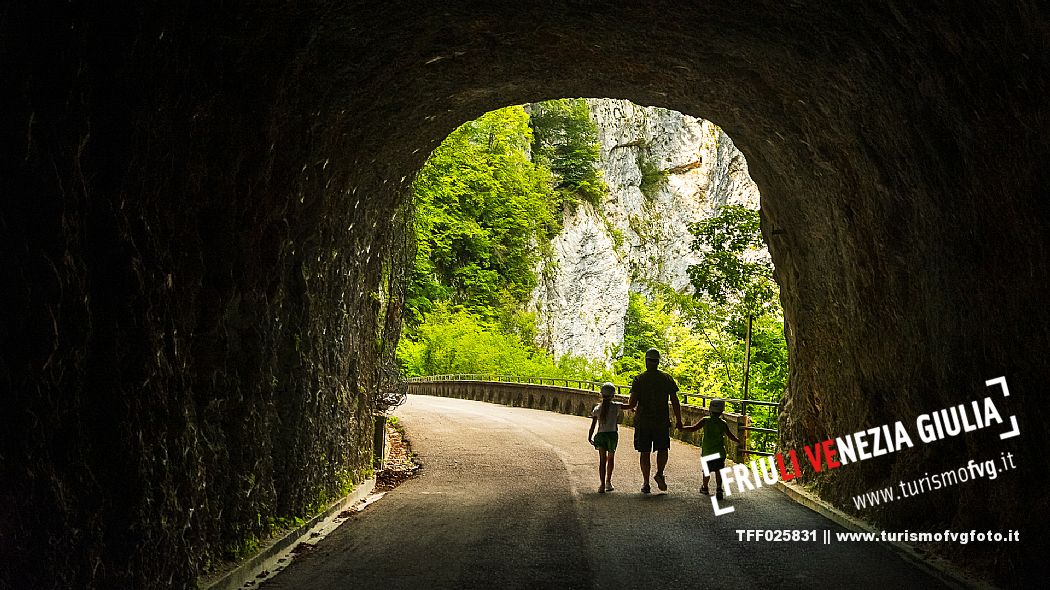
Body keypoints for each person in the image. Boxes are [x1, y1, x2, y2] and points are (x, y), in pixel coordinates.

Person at [627, 348, 683, 494]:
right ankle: (659, 473)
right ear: (658, 362)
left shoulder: (639, 379)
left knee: (644, 452)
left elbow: (632, 403)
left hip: (643, 421)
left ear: (646, 361)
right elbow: (675, 401)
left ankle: (646, 483)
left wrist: (619, 407)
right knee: (663, 448)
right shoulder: (667, 379)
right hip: (661, 421)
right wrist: (679, 420)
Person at [682, 398, 739, 500]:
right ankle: (718, 488)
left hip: (707, 452)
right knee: (719, 471)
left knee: (706, 471)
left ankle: (705, 487)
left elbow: (693, 428)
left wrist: (682, 428)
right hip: (720, 452)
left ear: (710, 409)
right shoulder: (723, 423)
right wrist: (737, 440)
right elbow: (730, 435)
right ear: (722, 411)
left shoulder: (705, 421)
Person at [588, 382, 632, 493]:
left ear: (601, 394)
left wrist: (589, 437)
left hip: (601, 436)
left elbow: (593, 425)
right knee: (611, 459)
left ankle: (601, 485)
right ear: (613, 395)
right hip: (612, 435)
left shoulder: (597, 408)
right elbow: (631, 406)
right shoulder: (616, 406)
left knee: (602, 461)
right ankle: (608, 482)